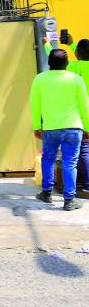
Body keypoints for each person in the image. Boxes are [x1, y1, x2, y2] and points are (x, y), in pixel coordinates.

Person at [30, 48, 88, 210]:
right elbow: (84, 105)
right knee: (70, 163)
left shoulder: (40, 79)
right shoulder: (76, 79)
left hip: (51, 128)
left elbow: (35, 105)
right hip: (73, 128)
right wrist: (88, 127)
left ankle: (46, 193)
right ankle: (69, 200)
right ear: (67, 63)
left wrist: (36, 126)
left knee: (48, 159)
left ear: (49, 63)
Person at [44, 35, 89, 198]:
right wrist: (72, 43)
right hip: (83, 115)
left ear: (77, 54)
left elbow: (57, 61)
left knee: (84, 150)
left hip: (81, 115)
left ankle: (87, 185)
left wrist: (47, 44)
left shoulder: (75, 69)